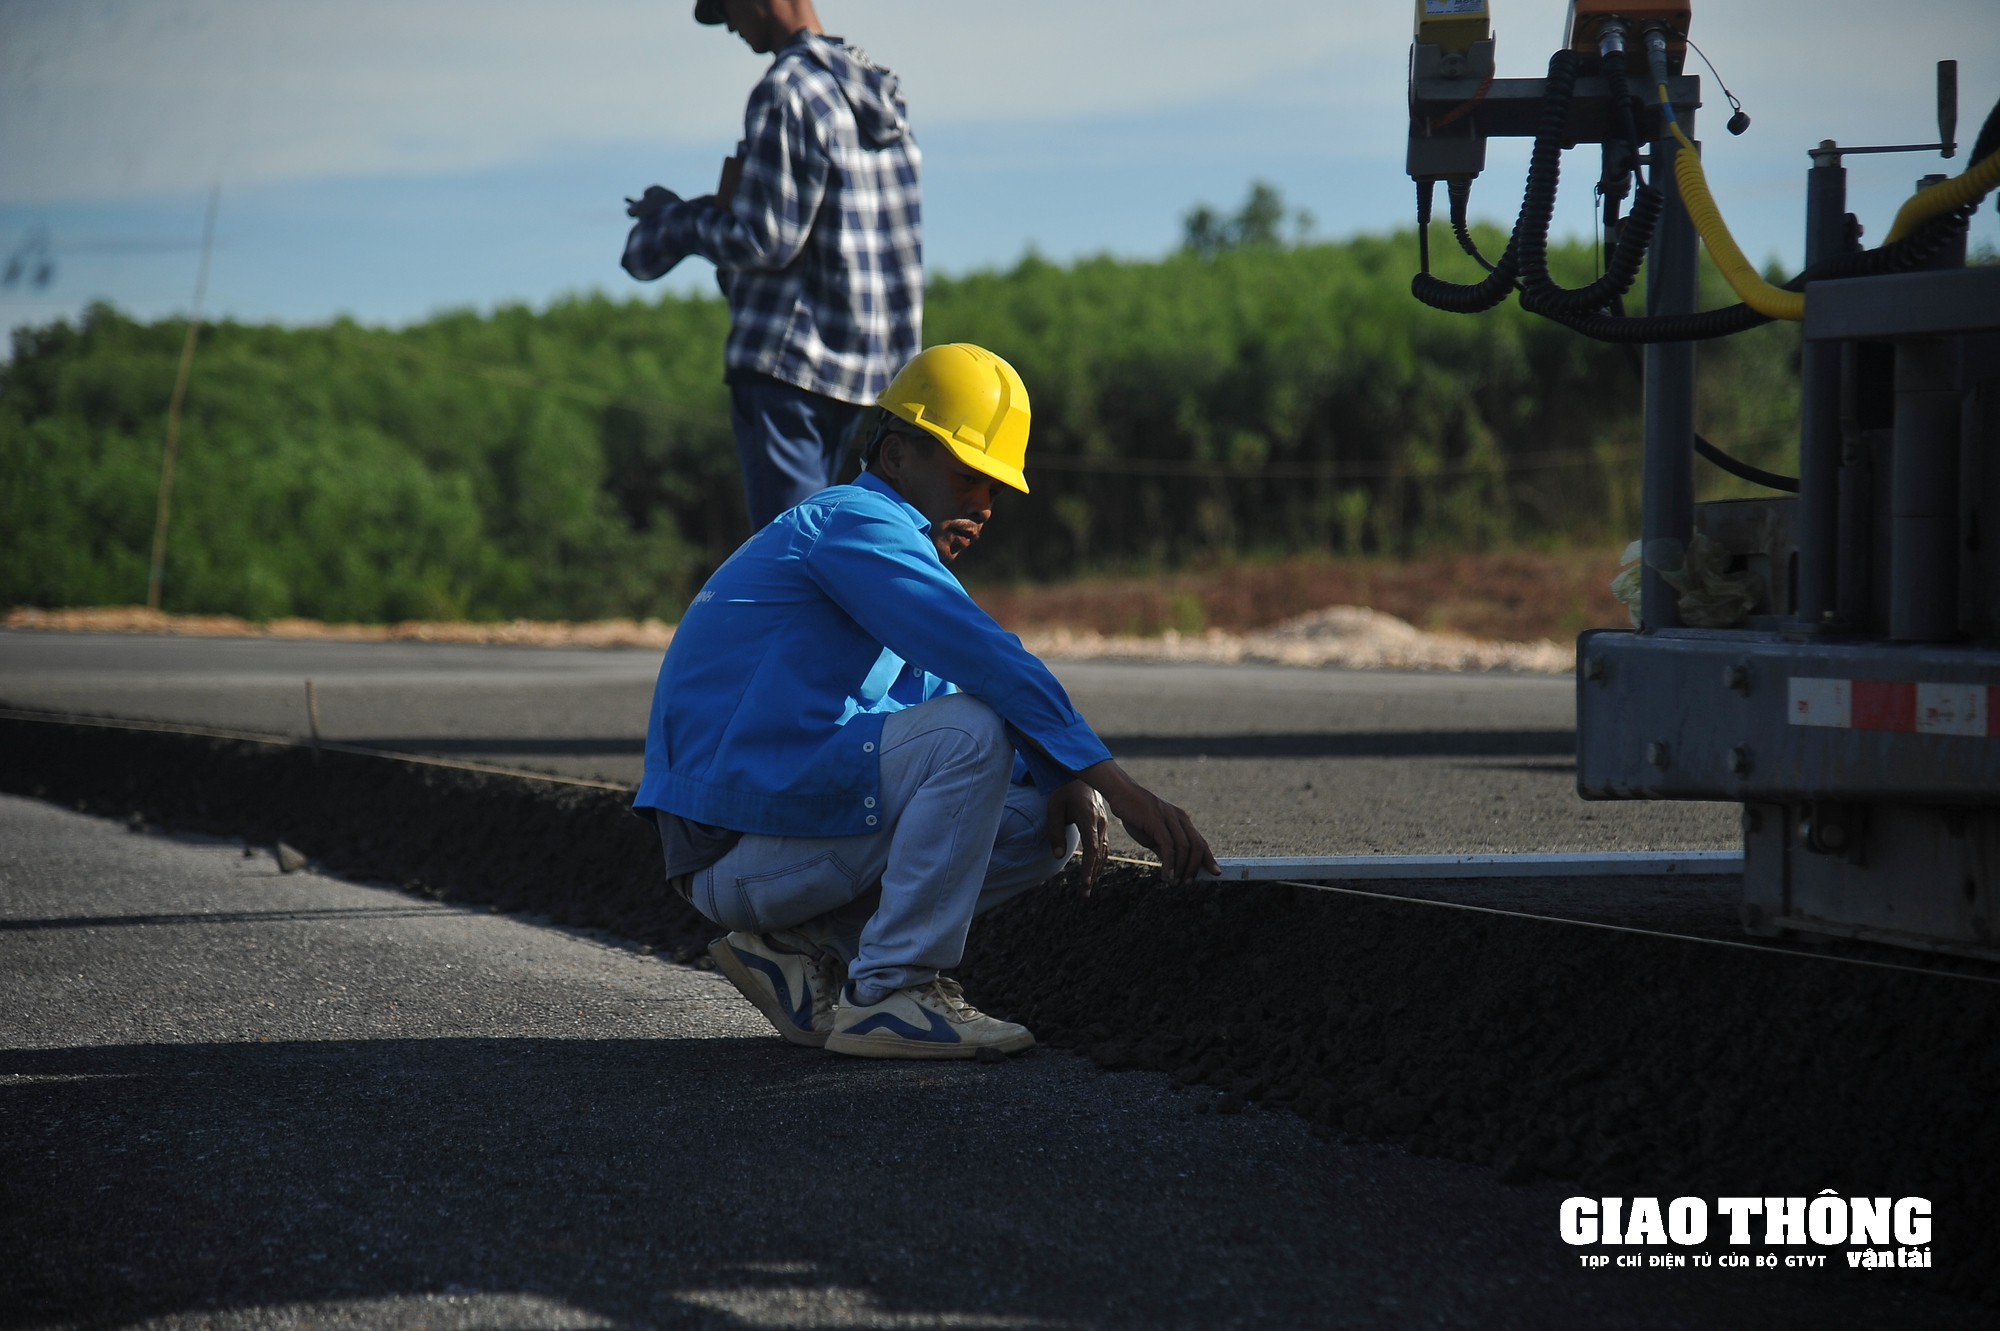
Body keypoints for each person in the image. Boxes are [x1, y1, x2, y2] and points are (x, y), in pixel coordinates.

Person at [636, 343, 1218, 1059]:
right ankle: (890, 993)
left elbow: (951, 686)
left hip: (768, 838)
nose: (982, 505)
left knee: (1046, 818)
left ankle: (799, 950)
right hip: (728, 844)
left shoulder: (883, 555)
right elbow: (985, 660)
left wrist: (1066, 776)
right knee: (973, 736)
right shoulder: (856, 523)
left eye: (995, 489)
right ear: (895, 454)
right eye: (966, 476)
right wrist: (1124, 789)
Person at [622, 0, 922, 529]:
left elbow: (765, 239)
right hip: (870, 376)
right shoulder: (876, 93)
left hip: (789, 366)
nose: (730, 28)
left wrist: (670, 219)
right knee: (839, 553)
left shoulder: (786, 90)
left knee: (792, 556)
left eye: (726, 11)